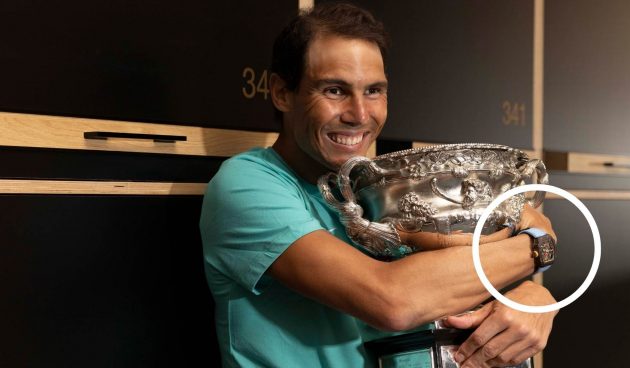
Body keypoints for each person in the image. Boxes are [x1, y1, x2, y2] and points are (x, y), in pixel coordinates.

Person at [200, 3, 557, 368]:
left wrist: (530, 298)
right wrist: (537, 247)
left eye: (373, 91)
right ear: (282, 93)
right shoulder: (247, 185)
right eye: (335, 90)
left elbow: (479, 261)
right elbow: (394, 302)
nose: (359, 114)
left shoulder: (382, 185)